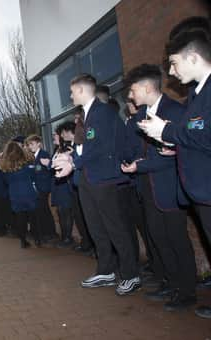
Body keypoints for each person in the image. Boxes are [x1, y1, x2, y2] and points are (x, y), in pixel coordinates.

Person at [136, 17, 211, 317]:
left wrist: (167, 132)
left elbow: (205, 135)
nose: (171, 71)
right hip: (201, 192)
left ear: (193, 57)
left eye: (174, 63)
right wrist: (174, 146)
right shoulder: (196, 95)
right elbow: (195, 138)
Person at [53, 73, 140, 296]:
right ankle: (106, 269)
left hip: (103, 179)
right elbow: (87, 147)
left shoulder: (103, 113)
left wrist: (74, 163)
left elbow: (101, 148)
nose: (70, 96)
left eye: (72, 92)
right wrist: (72, 159)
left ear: (82, 90)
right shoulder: (86, 115)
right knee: (96, 227)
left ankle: (131, 275)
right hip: (88, 179)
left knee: (115, 227)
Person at [122, 63, 197, 312]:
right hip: (150, 188)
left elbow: (179, 151)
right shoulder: (142, 115)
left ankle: (187, 292)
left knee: (177, 240)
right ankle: (171, 283)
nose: (131, 96)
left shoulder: (174, 110)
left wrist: (140, 166)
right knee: (159, 238)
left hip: (170, 188)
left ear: (145, 87)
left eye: (133, 90)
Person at [57, 121, 92, 254]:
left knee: (85, 216)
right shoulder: (70, 147)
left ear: (71, 131)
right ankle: (86, 242)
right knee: (79, 216)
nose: (62, 135)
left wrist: (72, 157)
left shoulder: (79, 145)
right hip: (74, 187)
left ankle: (89, 244)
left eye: (63, 132)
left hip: (84, 185)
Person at [0, 142, 37, 248]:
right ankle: (37, 239)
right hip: (28, 191)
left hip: (14, 193)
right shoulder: (26, 162)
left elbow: (5, 181)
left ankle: (23, 241)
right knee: (33, 217)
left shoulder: (4, 166)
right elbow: (33, 175)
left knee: (21, 218)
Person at [25, 135, 57, 243]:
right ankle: (46, 232)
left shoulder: (43, 154)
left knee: (44, 210)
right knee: (42, 210)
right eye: (29, 145)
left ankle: (51, 233)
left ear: (39, 143)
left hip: (43, 187)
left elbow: (45, 172)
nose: (30, 146)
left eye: (32, 144)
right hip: (37, 187)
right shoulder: (34, 156)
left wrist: (34, 171)